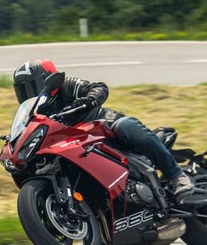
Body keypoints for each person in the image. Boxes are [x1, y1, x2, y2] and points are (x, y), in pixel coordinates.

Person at [12, 58, 194, 200]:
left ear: (49, 81)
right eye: (23, 90)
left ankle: (176, 176)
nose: (30, 94)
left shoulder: (66, 86)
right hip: (73, 146)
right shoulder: (35, 111)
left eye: (33, 87)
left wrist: (89, 99)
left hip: (102, 127)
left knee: (126, 125)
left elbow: (98, 87)